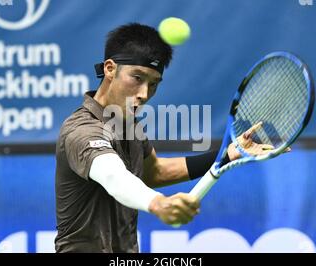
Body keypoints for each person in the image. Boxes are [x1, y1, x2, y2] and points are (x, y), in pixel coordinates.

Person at [54, 23, 273, 253]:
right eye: (137, 77)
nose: (144, 94)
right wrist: (159, 203)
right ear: (110, 69)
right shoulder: (81, 129)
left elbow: (154, 171)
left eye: (153, 84)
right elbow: (113, 176)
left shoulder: (128, 124)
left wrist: (228, 154)